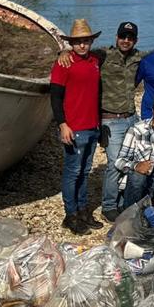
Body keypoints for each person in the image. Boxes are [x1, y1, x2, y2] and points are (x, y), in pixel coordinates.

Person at [54, 20, 146, 222]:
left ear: (135, 40)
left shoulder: (134, 58)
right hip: (108, 120)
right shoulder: (103, 56)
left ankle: (115, 203)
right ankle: (101, 207)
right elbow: (58, 90)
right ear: (116, 37)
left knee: (112, 165)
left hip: (127, 118)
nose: (126, 40)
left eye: (130, 38)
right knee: (109, 165)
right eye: (122, 36)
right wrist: (61, 53)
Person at [49, 19, 104, 234]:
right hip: (74, 127)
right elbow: (55, 97)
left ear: (91, 41)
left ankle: (82, 211)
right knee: (73, 172)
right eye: (78, 42)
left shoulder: (95, 60)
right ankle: (70, 214)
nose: (82, 45)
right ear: (71, 43)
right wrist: (63, 124)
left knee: (85, 171)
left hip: (92, 126)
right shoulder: (63, 64)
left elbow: (109, 52)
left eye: (86, 41)